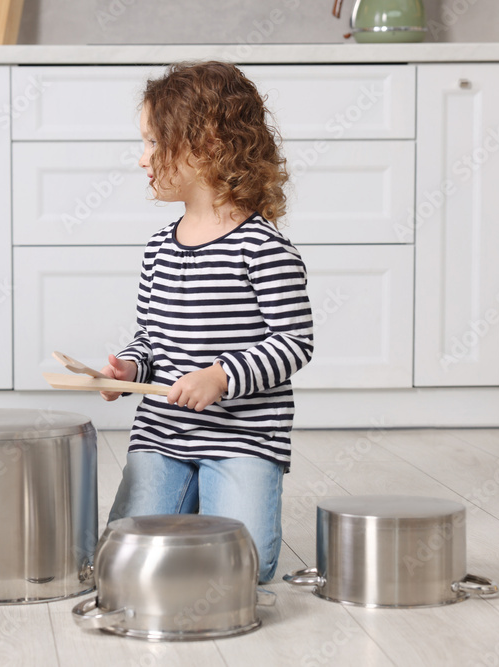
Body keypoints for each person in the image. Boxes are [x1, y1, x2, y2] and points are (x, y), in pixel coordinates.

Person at [100, 62, 314, 583]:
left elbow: (294, 342)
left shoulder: (263, 247)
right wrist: (131, 367)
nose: (142, 159)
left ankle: (197, 519)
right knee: (121, 557)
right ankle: (189, 515)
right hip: (164, 433)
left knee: (247, 566)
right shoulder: (157, 248)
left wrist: (222, 376)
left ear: (207, 144)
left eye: (154, 143)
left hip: (243, 436)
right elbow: (152, 335)